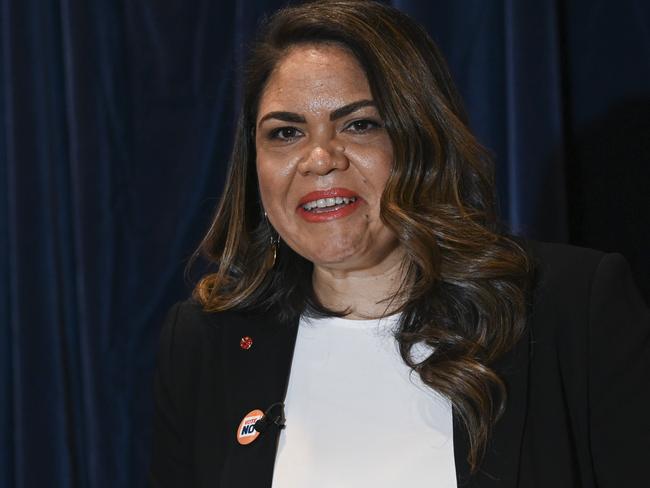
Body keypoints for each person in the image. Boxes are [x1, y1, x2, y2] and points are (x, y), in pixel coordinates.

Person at [148, 1, 650, 487]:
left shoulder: (571, 309)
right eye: (285, 133)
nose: (319, 158)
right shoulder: (203, 345)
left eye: (360, 124)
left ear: (424, 141)